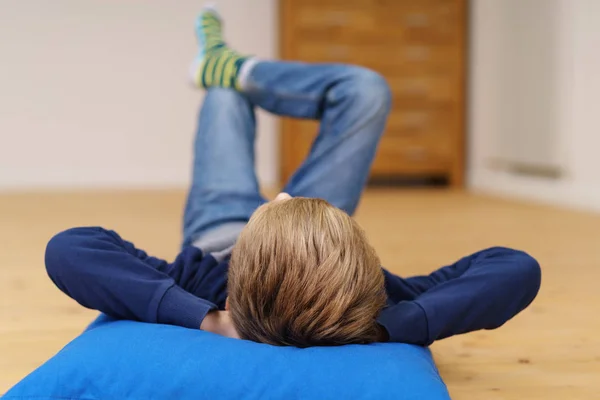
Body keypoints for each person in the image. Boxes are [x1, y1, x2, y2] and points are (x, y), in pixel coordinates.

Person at [45, 7, 541, 348]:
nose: (280, 192)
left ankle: (228, 71)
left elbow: (71, 248)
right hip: (317, 256)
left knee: (223, 99)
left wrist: (209, 319)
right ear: (357, 257)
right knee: (366, 89)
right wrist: (392, 326)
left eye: (276, 204)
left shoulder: (202, 282)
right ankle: (233, 67)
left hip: (217, 226)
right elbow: (515, 268)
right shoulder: (377, 301)